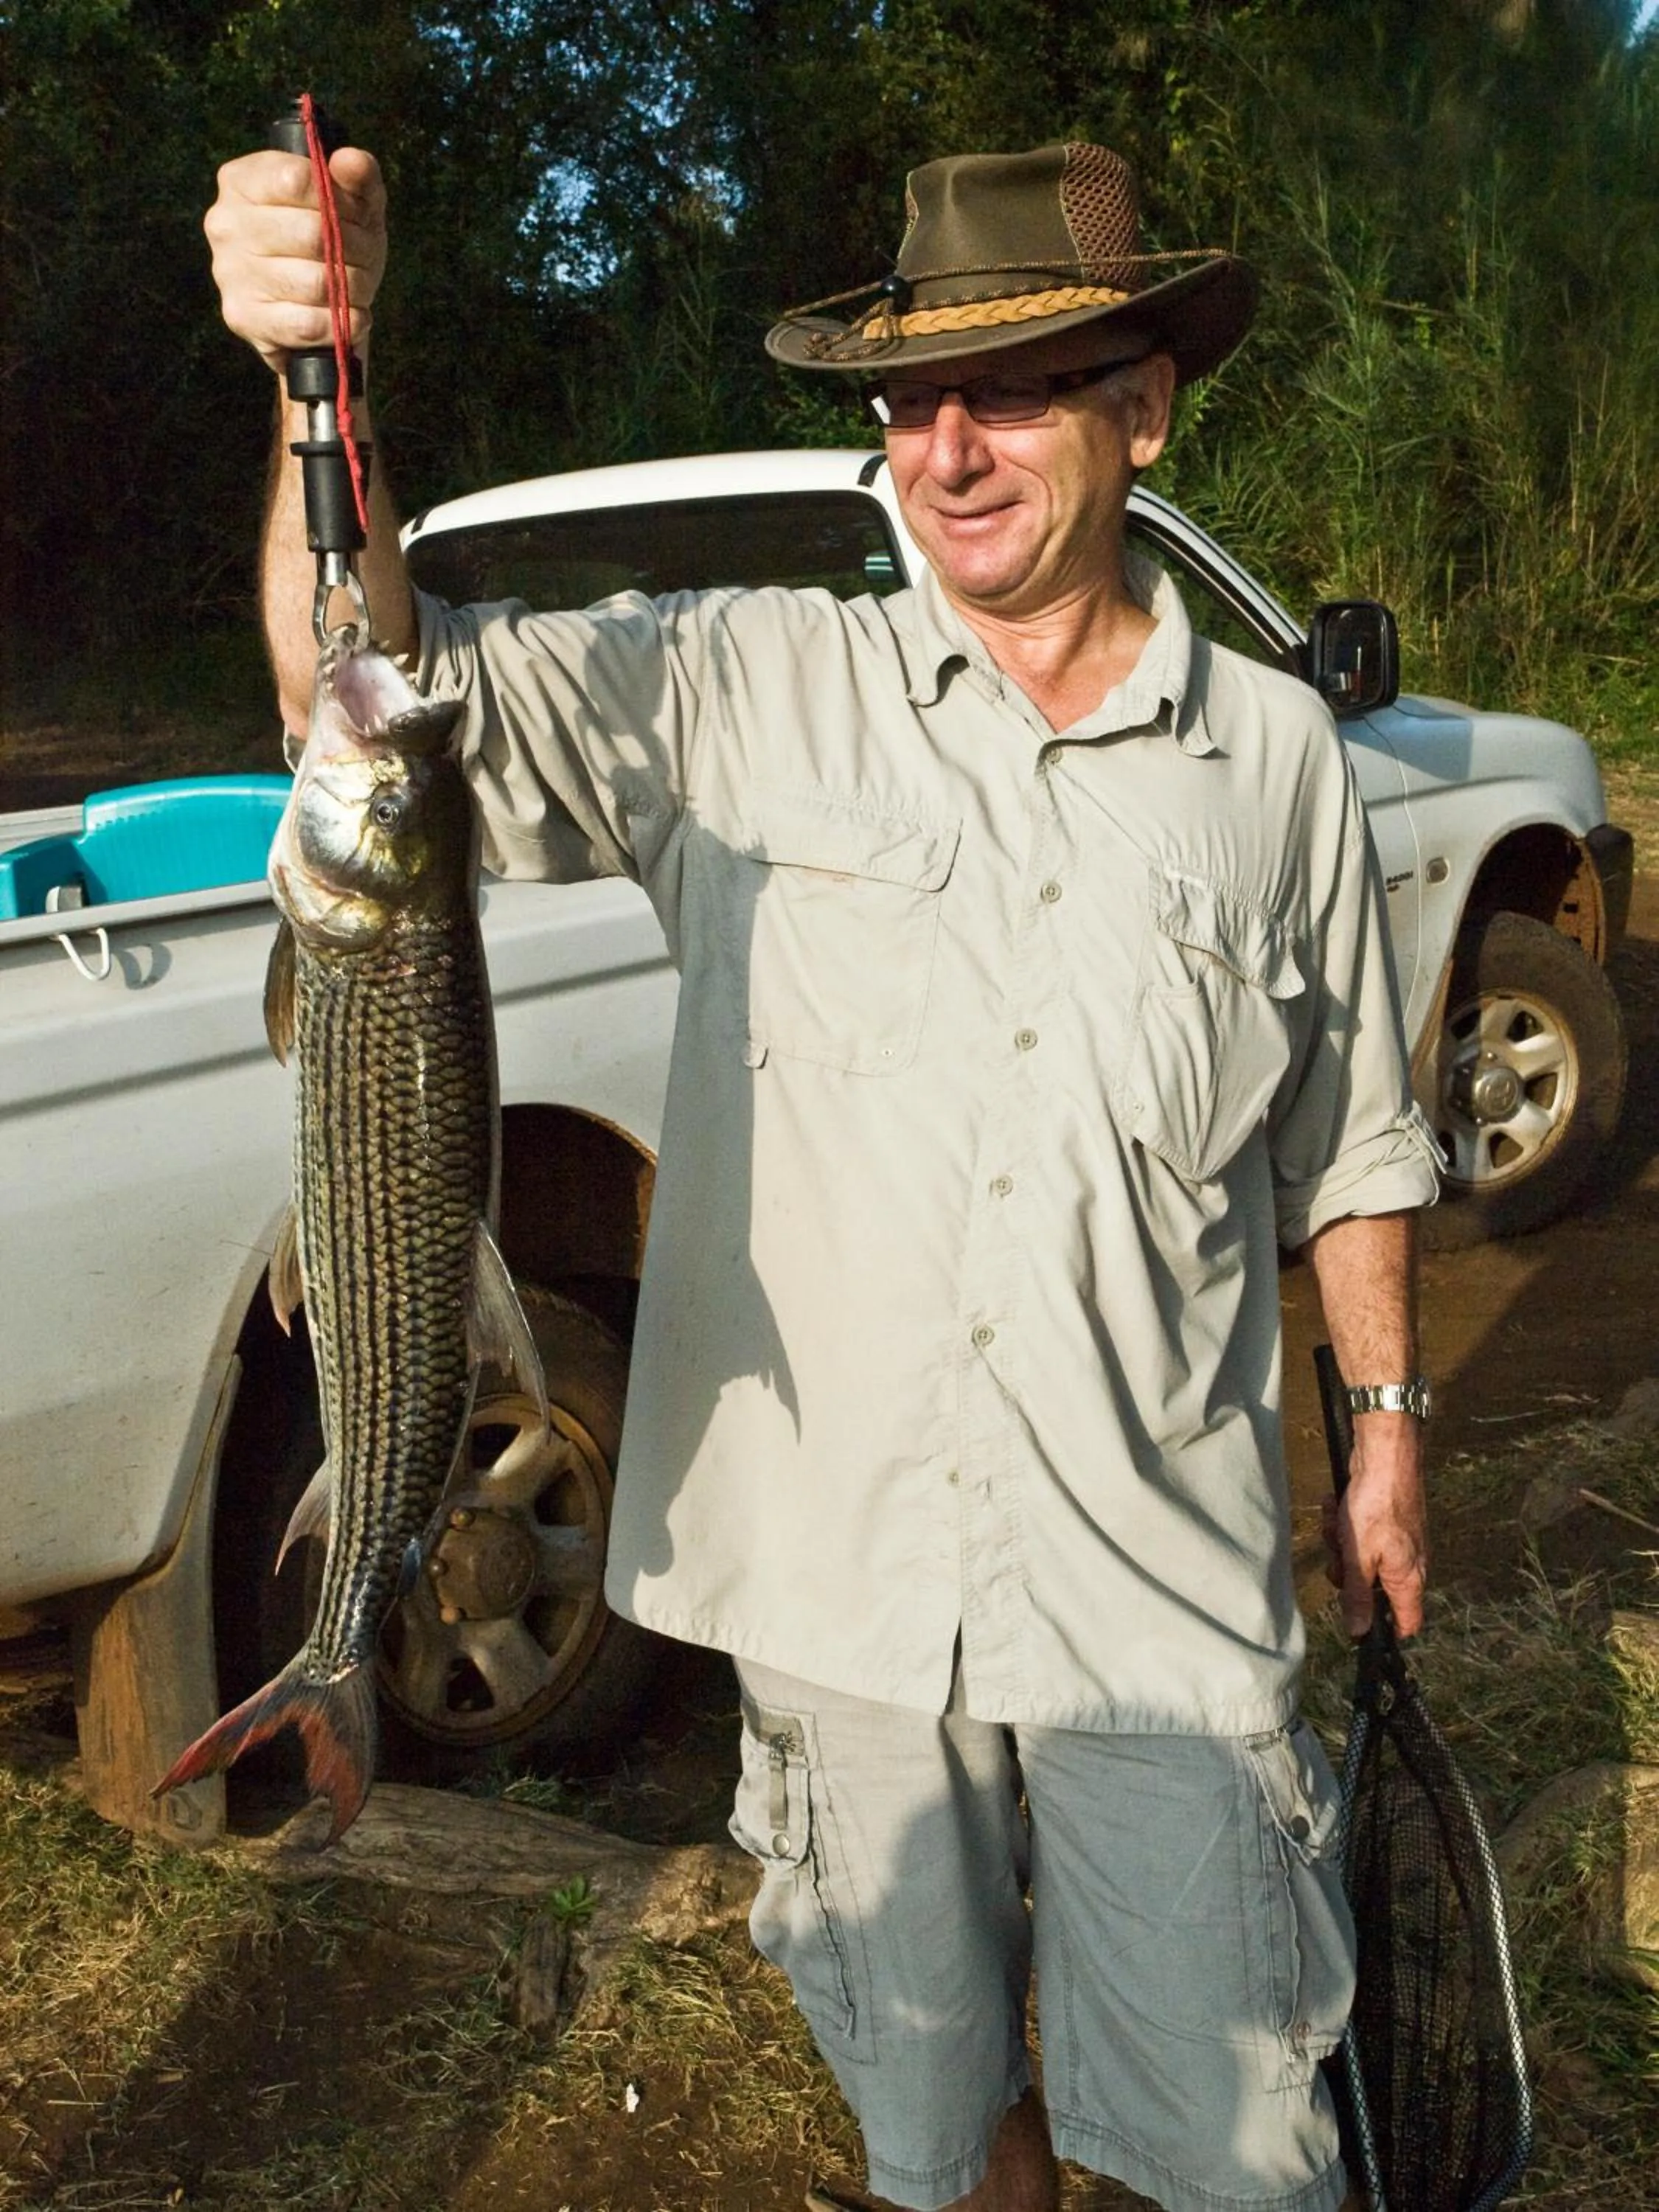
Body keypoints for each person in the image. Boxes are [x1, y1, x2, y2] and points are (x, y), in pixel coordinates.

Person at [205, 136, 1442, 2212]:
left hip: (1158, 1599)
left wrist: (1388, 1428)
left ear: (1145, 407)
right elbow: (361, 686)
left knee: (1241, 2157)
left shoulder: (1282, 764)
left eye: (1012, 390)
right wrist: (315, 381)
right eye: (906, 400)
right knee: (940, 2138)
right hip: (841, 1605)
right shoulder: (738, 684)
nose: (945, 450)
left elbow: (1357, 1144)